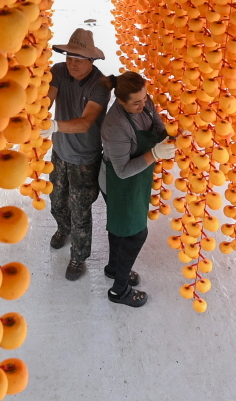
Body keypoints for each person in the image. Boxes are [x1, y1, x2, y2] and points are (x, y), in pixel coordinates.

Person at [100, 72, 174, 307]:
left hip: (137, 177)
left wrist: (168, 137)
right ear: (120, 101)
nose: (143, 105)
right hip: (117, 182)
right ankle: (119, 290)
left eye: (144, 99)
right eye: (136, 103)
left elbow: (156, 121)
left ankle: (114, 268)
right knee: (135, 233)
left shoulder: (144, 100)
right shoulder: (115, 125)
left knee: (122, 230)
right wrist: (154, 153)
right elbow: (122, 171)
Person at [47, 28, 112, 280]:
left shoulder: (101, 85)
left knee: (81, 210)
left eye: (78, 59)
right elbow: (47, 98)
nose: (72, 63)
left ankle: (78, 257)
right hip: (60, 152)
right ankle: (63, 228)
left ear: (91, 60)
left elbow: (86, 122)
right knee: (57, 200)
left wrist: (53, 126)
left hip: (85, 159)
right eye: (69, 57)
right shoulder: (59, 71)